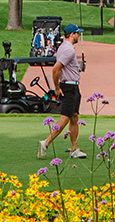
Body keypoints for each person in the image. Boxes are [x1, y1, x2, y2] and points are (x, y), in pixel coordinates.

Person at [38, 24, 88, 160]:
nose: (78, 36)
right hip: (69, 88)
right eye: (77, 33)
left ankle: (75, 148)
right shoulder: (68, 50)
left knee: (74, 117)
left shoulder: (64, 47)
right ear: (72, 34)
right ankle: (46, 142)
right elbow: (55, 69)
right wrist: (57, 88)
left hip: (73, 87)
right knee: (65, 118)